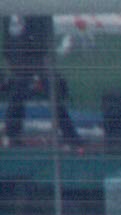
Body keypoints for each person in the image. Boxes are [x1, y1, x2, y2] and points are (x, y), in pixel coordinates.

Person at [4, 16, 80, 148]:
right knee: (19, 97)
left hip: (33, 60)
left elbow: (44, 34)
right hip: (24, 60)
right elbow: (9, 37)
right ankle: (12, 136)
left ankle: (71, 137)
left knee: (48, 97)